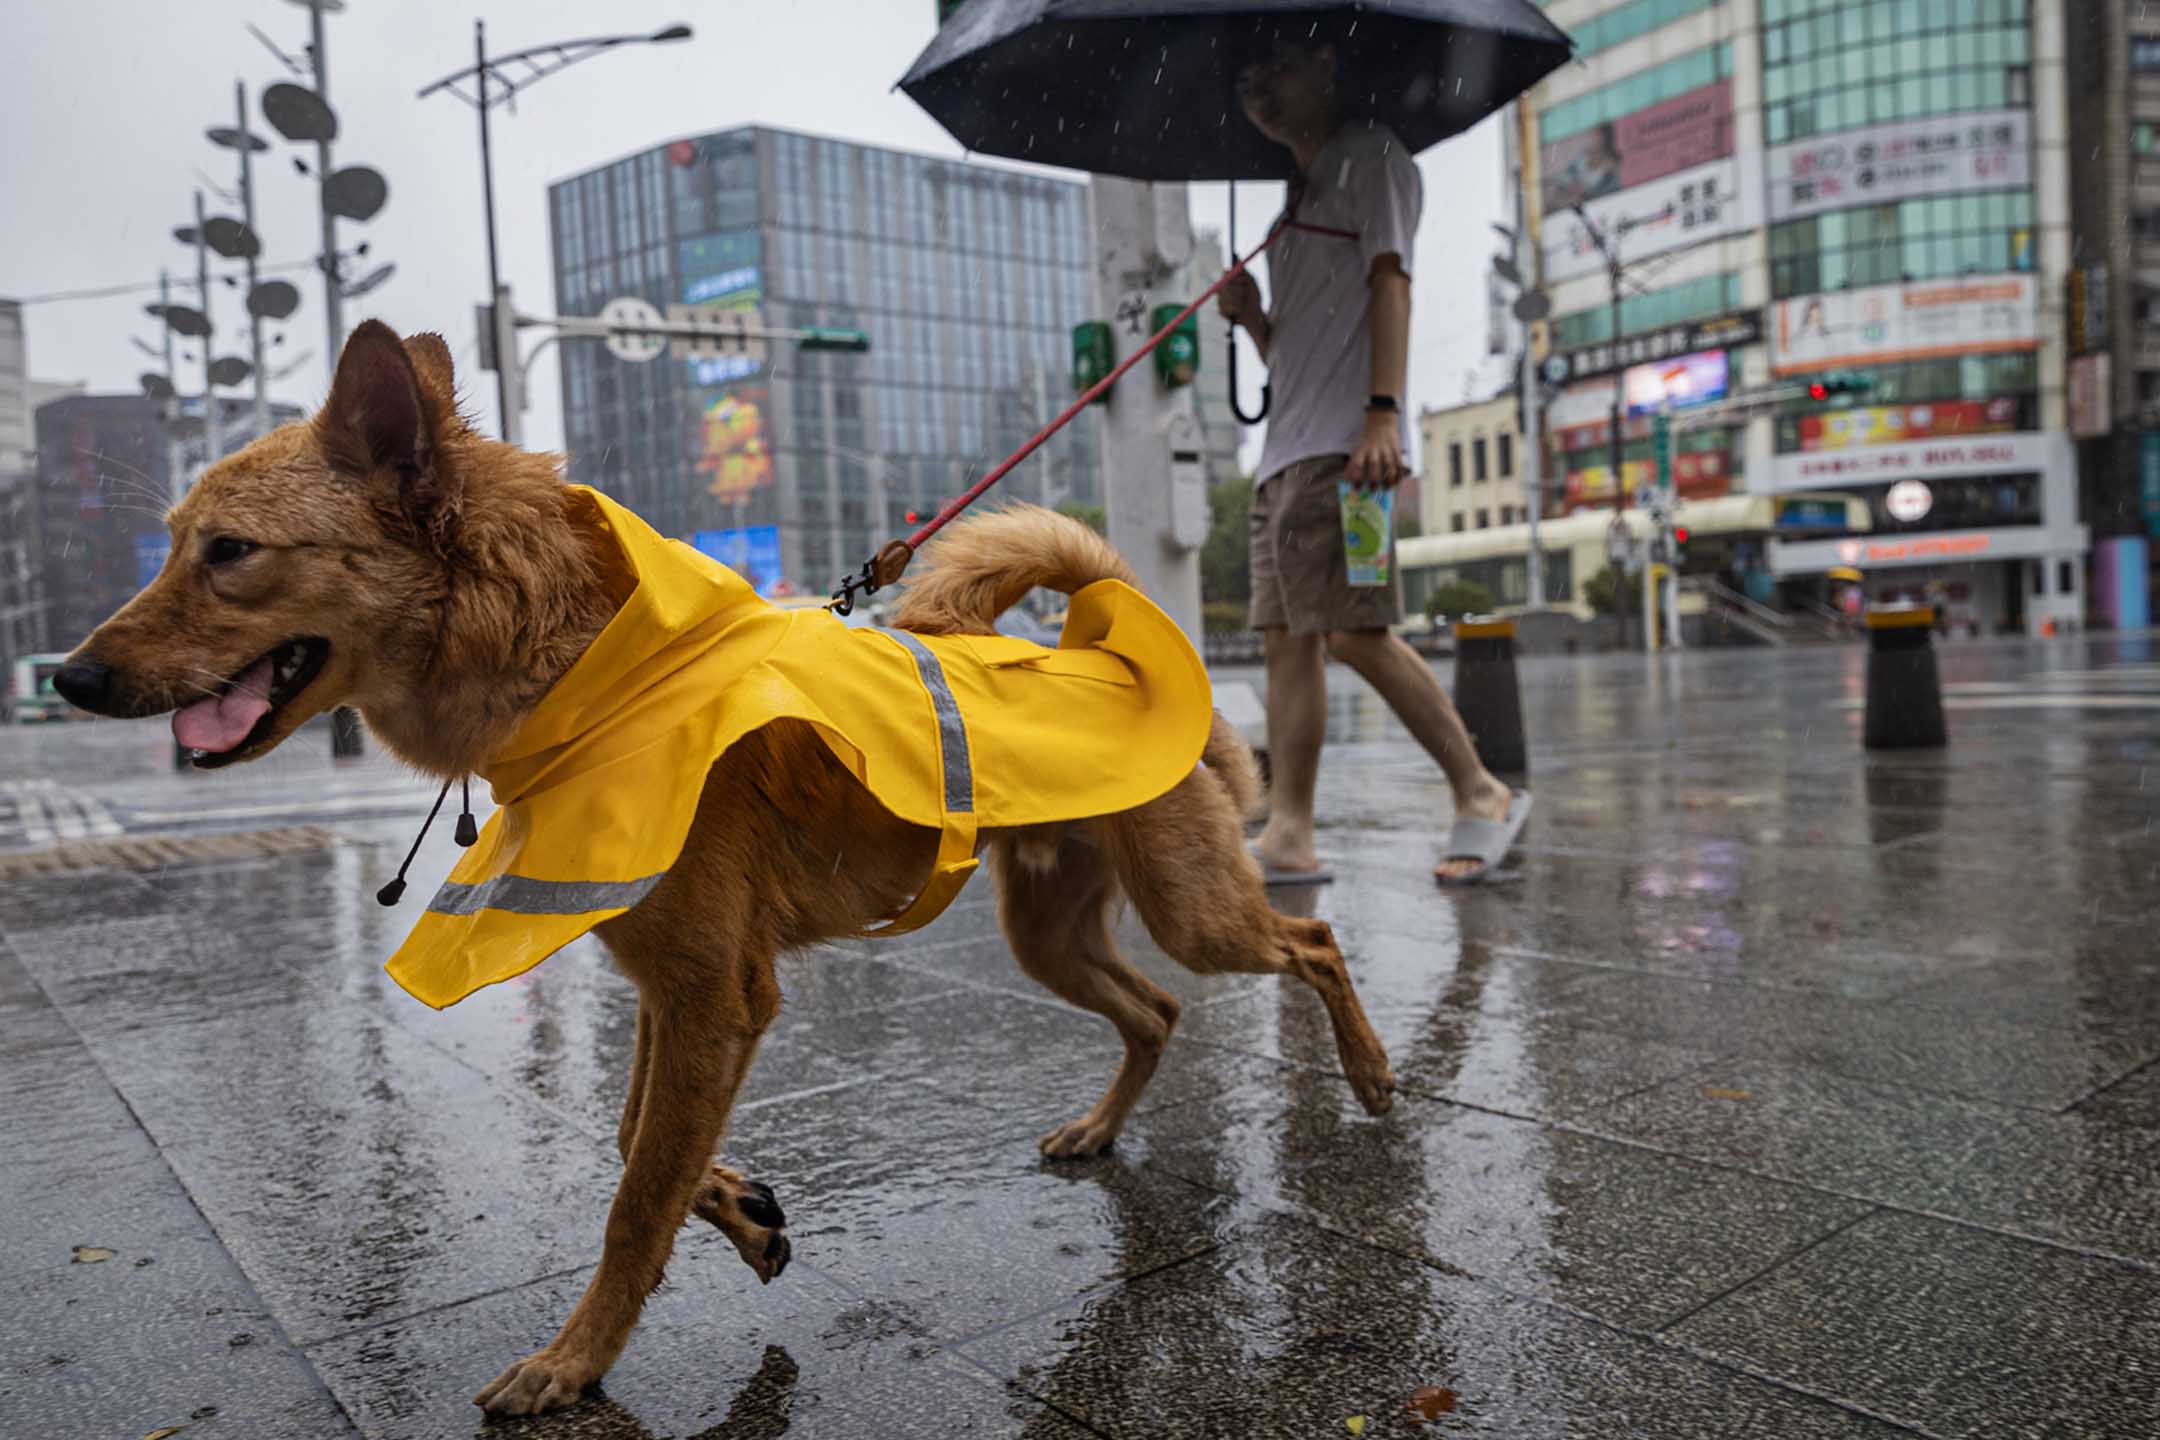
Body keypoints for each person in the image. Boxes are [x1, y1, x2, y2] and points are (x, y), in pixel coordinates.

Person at [1218, 38, 1530, 886]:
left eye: (1276, 68)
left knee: (1357, 634)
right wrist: (1254, 319)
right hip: (1284, 457)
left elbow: (1393, 282)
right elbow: (1297, 353)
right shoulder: (1293, 203)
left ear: (1325, 63)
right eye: (1247, 79)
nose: (1260, 91)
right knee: (1285, 643)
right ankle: (1290, 831)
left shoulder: (1373, 158)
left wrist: (1383, 415)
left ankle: (1480, 789)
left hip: (1347, 449)